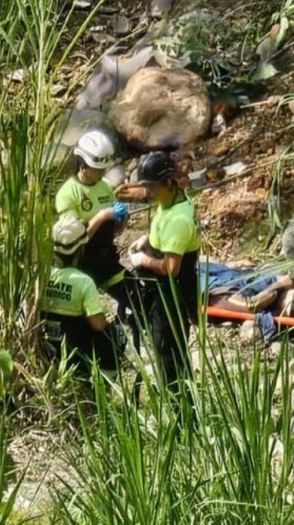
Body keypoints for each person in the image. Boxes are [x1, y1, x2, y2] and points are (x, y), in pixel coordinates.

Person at [128, 151, 201, 393]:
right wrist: (147, 239)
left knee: (169, 354)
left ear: (169, 183)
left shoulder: (179, 220)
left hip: (173, 294)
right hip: (163, 290)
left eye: (150, 187)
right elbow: (163, 226)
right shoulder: (171, 201)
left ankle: (183, 413)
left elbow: (171, 268)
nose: (146, 193)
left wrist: (143, 259)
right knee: (165, 352)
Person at [55, 130, 134, 320]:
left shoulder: (105, 186)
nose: (102, 173)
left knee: (137, 296)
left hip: (105, 260)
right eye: (97, 169)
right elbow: (71, 244)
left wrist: (121, 219)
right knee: (83, 320)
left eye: (104, 169)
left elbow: (115, 232)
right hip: (80, 264)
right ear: (82, 165)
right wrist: (101, 216)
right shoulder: (68, 194)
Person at [40, 216, 125, 376]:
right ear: (81, 249)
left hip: (46, 345)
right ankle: (105, 381)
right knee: (114, 333)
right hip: (74, 350)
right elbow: (97, 324)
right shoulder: (83, 282)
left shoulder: (41, 276)